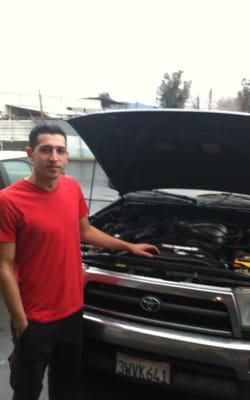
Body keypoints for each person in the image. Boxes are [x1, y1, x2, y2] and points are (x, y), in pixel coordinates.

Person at [0, 122, 159, 400]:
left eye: (60, 150)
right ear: (30, 153)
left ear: (67, 156)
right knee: (27, 389)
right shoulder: (8, 201)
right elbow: (4, 266)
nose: (54, 157)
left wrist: (128, 246)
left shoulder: (72, 187)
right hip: (35, 317)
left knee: (67, 386)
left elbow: (84, 230)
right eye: (45, 149)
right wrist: (21, 322)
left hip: (72, 312)